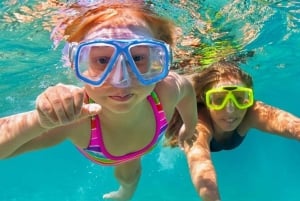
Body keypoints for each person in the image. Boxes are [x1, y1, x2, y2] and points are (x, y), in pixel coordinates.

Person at [0, 1, 198, 201]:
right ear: (77, 64)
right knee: (128, 173)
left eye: (138, 58)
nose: (122, 80)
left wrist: (189, 127)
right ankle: (126, 192)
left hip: (139, 147)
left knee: (131, 174)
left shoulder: (167, 89)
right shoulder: (76, 117)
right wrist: (41, 121)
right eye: (103, 61)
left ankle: (126, 193)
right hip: (105, 150)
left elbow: (188, 91)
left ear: (158, 58)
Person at [165, 61, 300, 201]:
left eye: (240, 98)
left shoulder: (253, 112)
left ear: (249, 99)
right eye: (218, 100)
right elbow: (202, 170)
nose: (230, 110)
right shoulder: (197, 126)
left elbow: (294, 127)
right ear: (205, 100)